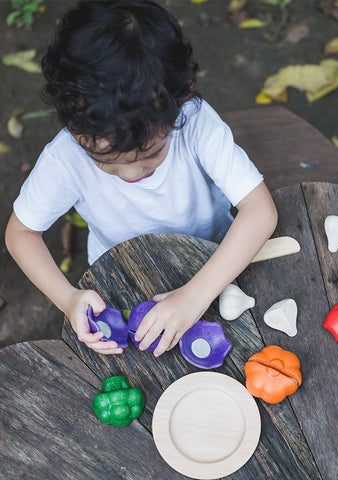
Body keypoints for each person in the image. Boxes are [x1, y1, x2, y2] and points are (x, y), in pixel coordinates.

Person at [5, 0, 277, 357]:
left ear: (180, 99)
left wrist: (195, 296)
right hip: (122, 273)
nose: (132, 173)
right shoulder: (65, 158)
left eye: (149, 156)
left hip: (215, 257)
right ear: (73, 125)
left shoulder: (195, 122)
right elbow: (20, 234)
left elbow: (260, 212)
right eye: (105, 161)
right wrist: (67, 298)